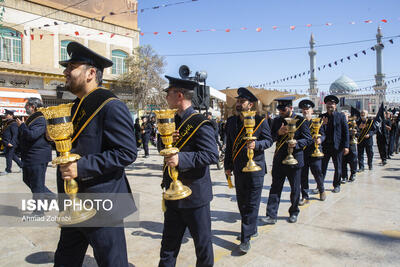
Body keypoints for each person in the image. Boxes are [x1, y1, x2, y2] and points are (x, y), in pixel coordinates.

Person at [54, 41, 137, 267]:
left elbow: (127, 152)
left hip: (103, 203)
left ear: (91, 73)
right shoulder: (74, 107)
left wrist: (80, 167)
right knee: (64, 260)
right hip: (73, 201)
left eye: (71, 67)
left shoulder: (110, 105)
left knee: (113, 262)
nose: (65, 72)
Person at [159, 75, 218, 267]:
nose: (166, 97)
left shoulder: (201, 122)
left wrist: (181, 158)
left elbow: (211, 155)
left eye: (168, 93)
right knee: (168, 247)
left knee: (202, 247)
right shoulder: (171, 121)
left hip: (195, 197)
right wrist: (166, 141)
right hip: (172, 195)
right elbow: (162, 146)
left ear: (179, 95)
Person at [224, 87, 272, 253]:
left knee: (252, 203)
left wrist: (256, 145)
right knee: (242, 203)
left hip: (255, 168)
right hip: (238, 168)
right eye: (237, 101)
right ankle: (252, 228)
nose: (238, 103)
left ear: (250, 104)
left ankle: (245, 238)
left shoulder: (260, 120)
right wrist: (228, 166)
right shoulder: (231, 122)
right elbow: (229, 145)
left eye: (242, 101)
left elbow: (268, 140)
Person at [262, 97, 312, 225]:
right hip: (279, 158)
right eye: (279, 109)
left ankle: (294, 212)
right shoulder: (276, 121)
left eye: (283, 109)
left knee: (295, 188)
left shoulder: (301, 120)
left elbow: (308, 139)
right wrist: (278, 133)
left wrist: (297, 143)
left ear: (290, 108)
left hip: (295, 159)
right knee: (275, 187)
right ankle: (271, 215)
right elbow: (270, 139)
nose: (280, 112)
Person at [17, 97, 55, 215]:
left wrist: (22, 126)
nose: (26, 108)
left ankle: (39, 211)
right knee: (27, 179)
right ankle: (50, 196)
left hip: (38, 156)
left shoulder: (40, 119)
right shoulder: (33, 119)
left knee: (37, 184)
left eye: (27, 105)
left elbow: (32, 135)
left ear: (32, 107)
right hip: (30, 156)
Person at [298, 100, 326, 205]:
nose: (305, 111)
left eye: (307, 109)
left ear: (312, 111)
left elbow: (323, 134)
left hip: (315, 151)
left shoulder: (318, 122)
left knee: (317, 172)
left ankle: (321, 190)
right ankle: (305, 196)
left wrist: (320, 139)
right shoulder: (298, 122)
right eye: (304, 109)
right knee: (303, 175)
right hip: (303, 152)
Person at [320, 95, 349, 194]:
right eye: (328, 103)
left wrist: (346, 146)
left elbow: (346, 132)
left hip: (337, 147)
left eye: (332, 104)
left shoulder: (340, 116)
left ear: (335, 105)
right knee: (322, 167)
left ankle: (336, 185)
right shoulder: (322, 117)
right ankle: (320, 186)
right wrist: (323, 124)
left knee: (338, 167)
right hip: (325, 147)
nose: (330, 105)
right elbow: (319, 131)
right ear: (325, 105)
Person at [0, 109, 22, 175]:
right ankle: (22, 166)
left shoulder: (13, 123)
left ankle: (8, 170)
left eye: (7, 115)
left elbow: (15, 134)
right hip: (7, 142)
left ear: (11, 115)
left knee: (9, 156)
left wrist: (11, 143)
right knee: (12, 156)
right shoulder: (8, 122)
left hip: (10, 143)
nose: (6, 116)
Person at [341, 111, 357, 183]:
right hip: (342, 145)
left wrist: (355, 133)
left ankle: (353, 174)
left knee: (353, 161)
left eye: (345, 115)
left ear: (348, 116)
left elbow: (358, 132)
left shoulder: (353, 123)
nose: (343, 117)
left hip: (351, 145)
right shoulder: (339, 124)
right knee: (342, 162)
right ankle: (344, 176)